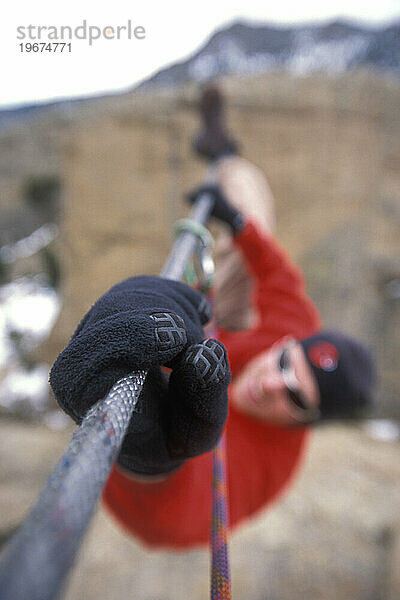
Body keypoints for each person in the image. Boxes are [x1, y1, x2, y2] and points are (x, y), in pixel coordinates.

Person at [50, 85, 376, 549]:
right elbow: (278, 273)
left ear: (309, 422)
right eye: (285, 362)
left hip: (177, 425)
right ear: (290, 341)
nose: (271, 382)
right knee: (252, 225)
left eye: (295, 398)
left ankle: (224, 164)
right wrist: (238, 225)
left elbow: (174, 526)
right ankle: (224, 157)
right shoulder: (295, 325)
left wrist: (154, 458)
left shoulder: (271, 465)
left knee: (171, 365)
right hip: (220, 328)